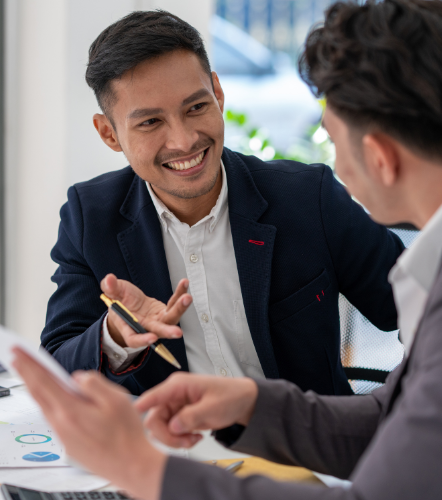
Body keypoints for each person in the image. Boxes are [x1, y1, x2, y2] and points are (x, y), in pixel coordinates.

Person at [14, 1, 442, 498]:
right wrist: (248, 405)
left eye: (332, 138)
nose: (184, 139)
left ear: (381, 156)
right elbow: (395, 418)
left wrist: (143, 470)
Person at [42, 10, 404, 396]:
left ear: (217, 93)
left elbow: (424, 304)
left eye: (196, 107)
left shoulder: (307, 197)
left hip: (302, 432)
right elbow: (57, 366)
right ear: (109, 134)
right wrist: (116, 334)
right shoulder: (90, 217)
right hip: (170, 433)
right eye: (150, 123)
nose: (184, 141)